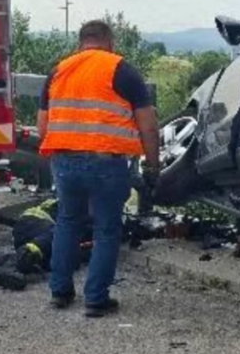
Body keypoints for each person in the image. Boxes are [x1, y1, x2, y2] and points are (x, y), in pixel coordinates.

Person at [37, 20, 161, 317]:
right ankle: (95, 299)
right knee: (106, 229)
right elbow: (149, 126)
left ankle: (60, 292)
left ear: (81, 43)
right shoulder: (122, 70)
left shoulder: (59, 71)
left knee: (67, 222)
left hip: (64, 161)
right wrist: (153, 164)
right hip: (106, 162)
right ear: (110, 41)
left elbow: (43, 125)